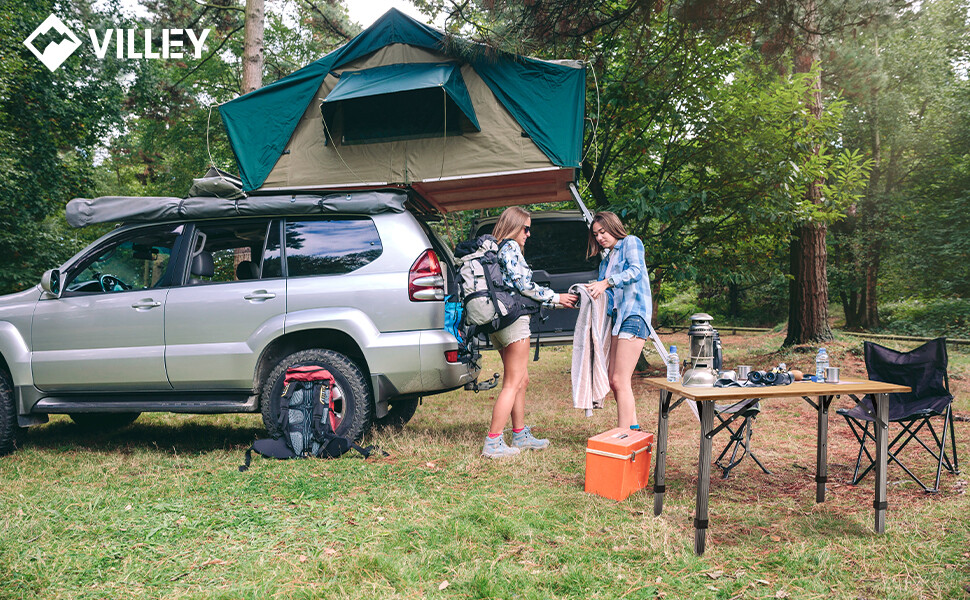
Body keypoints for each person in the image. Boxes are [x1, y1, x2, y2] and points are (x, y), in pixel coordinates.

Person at [482, 207, 578, 459]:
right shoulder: (510, 247)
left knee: (520, 380)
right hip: (514, 321)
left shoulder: (495, 249)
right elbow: (524, 285)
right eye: (525, 228)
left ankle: (520, 435)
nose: (528, 234)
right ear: (514, 226)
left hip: (498, 322)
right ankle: (493, 442)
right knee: (512, 383)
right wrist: (556, 298)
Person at [585, 211, 652, 430]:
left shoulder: (631, 242)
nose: (599, 238)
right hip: (618, 319)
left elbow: (636, 271)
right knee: (614, 381)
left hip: (634, 314)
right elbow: (606, 294)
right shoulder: (606, 260)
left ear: (614, 227)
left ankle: (623, 436)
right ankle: (633, 430)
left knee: (620, 380)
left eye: (603, 232)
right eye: (596, 234)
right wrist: (587, 293)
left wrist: (607, 282)